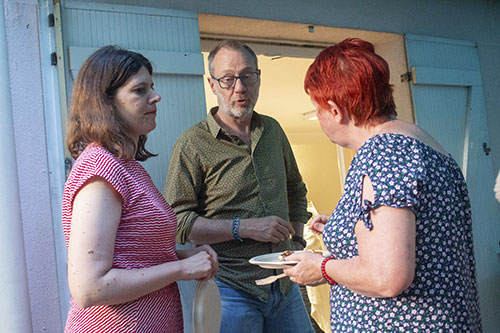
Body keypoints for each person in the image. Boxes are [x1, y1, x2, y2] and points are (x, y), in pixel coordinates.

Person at [283, 38, 481, 332]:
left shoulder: (382, 154)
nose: (320, 119)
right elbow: (417, 234)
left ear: (335, 109)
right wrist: (344, 227)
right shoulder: (422, 143)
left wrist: (322, 268)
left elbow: (388, 276)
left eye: (317, 108)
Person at [62, 45, 218, 332]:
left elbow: (135, 259)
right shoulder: (100, 170)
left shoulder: (127, 167)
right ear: (106, 103)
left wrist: (184, 257)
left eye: (152, 87)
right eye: (140, 90)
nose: (155, 96)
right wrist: (180, 269)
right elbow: (89, 287)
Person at [164, 39, 314, 332]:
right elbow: (178, 223)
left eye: (247, 76)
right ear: (212, 84)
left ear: (259, 77)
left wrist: (296, 241)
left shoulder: (272, 130)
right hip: (231, 287)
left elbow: (296, 189)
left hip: (285, 285)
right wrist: (243, 227)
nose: (240, 88)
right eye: (228, 79)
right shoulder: (192, 144)